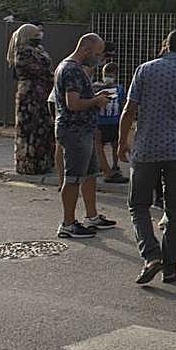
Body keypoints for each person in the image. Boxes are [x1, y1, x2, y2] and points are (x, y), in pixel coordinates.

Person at [117, 30, 176, 285]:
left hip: (147, 147)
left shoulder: (145, 70)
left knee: (138, 204)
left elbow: (129, 110)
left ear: (166, 45)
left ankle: (150, 254)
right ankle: (170, 266)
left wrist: (122, 142)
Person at [53, 34, 117, 240]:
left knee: (89, 175)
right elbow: (73, 103)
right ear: (86, 50)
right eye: (98, 54)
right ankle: (68, 223)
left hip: (83, 130)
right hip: (74, 131)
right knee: (73, 178)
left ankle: (92, 215)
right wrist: (96, 101)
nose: (99, 59)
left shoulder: (73, 67)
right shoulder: (71, 69)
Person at [7, 24, 54, 177]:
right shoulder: (22, 52)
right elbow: (37, 69)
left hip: (42, 95)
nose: (39, 36)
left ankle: (43, 162)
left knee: (43, 129)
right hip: (30, 96)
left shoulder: (38, 50)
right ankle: (28, 164)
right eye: (35, 34)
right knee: (30, 130)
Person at [93, 62, 129, 184]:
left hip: (114, 121)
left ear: (116, 75)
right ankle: (101, 165)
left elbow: (123, 103)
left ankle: (114, 164)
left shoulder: (119, 88)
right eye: (105, 74)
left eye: (110, 74)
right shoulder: (97, 87)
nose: (107, 77)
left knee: (114, 144)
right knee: (100, 146)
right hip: (101, 122)